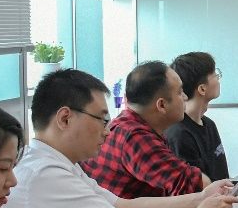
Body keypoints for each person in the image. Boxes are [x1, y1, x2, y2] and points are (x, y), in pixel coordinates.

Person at [6, 68, 238, 208]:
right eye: (101, 120)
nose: (107, 131)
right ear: (65, 118)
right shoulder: (44, 173)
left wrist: (200, 199)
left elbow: (123, 206)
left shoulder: (59, 164)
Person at [82, 61, 210, 198]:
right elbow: (195, 186)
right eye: (180, 92)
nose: (185, 97)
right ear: (161, 105)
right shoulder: (135, 137)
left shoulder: (127, 124)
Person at [165, 52, 230, 181]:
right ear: (202, 89)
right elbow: (193, 186)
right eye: (215, 75)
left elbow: (222, 176)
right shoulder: (179, 134)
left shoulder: (209, 124)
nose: (218, 78)